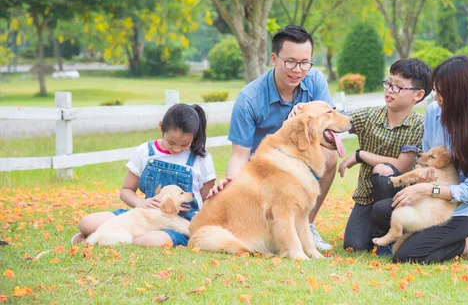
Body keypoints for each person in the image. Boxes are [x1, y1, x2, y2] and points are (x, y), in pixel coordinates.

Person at [209, 25, 337, 250]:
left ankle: (306, 225)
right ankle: (266, 230)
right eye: (290, 62)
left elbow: (328, 124)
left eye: (304, 62)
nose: (297, 69)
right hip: (264, 170)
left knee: (329, 155)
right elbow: (239, 155)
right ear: (274, 59)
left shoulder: (315, 80)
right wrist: (231, 184)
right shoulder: (249, 99)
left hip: (300, 158)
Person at [371, 55, 468, 263]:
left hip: (461, 211)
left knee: (407, 255)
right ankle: (421, 234)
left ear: (461, 95)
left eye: (442, 93)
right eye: (436, 91)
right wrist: (423, 179)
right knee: (380, 211)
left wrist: (430, 189)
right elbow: (427, 155)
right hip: (429, 203)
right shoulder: (434, 112)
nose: (437, 98)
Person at [71, 103, 216, 247]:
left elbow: (208, 199)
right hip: (145, 217)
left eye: (185, 145)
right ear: (161, 127)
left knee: (150, 241)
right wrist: (139, 203)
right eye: (171, 142)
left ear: (194, 137)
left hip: (180, 223)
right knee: (86, 223)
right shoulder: (145, 151)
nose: (177, 149)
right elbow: (126, 190)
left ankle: (111, 238)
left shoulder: (201, 158)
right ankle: (105, 236)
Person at [339, 59, 432, 253]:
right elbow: (340, 119)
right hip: (366, 197)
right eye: (389, 84)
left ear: (418, 94)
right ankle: (374, 232)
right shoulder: (370, 116)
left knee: (384, 172)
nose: (390, 90)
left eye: (398, 87)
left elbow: (402, 165)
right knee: (353, 246)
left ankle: (391, 236)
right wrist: (311, 111)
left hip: (397, 199)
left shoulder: (419, 125)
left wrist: (360, 155)